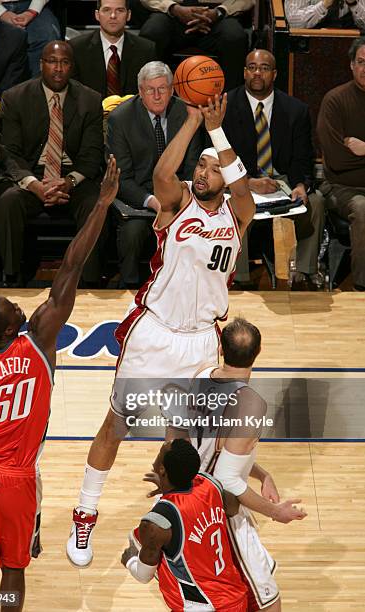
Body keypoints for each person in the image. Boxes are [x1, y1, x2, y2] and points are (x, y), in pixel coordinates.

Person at [66, 93, 256, 567]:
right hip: (155, 332)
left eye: (212, 169)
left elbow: (244, 188)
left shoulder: (238, 216)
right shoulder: (178, 206)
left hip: (199, 341)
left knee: (177, 440)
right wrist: (193, 123)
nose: (203, 173)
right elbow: (160, 177)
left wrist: (218, 135)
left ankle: (161, 522)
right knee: (119, 423)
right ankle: (85, 511)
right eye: (201, 168)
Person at [0, 156, 119, 611]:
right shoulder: (39, 340)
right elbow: (70, 266)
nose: (20, 306)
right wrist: (102, 204)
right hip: (16, 480)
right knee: (12, 570)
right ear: (9, 330)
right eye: (13, 307)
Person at [164, 317, 307, 610]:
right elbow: (227, 478)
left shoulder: (201, 374)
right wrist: (275, 512)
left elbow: (215, 449)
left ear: (221, 347)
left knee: (232, 591)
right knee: (268, 601)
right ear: (259, 351)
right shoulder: (250, 404)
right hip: (219, 506)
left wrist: (262, 474)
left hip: (192, 493)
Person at [0, 40, 106, 288]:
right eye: (52, 62)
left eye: (65, 63)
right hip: (31, 173)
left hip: (72, 175)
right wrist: (35, 185)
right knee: (8, 200)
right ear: (41, 64)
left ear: (72, 67)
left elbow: (92, 155)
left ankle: (89, 280)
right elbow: (9, 153)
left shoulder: (89, 99)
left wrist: (67, 182)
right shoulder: (15, 98)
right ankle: (11, 277)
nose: (58, 68)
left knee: (95, 203)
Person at [222, 49, 324, 289]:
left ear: (275, 74)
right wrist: (246, 183)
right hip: (241, 180)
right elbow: (217, 157)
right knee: (234, 202)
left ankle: (303, 274)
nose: (258, 73)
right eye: (252, 67)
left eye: (264, 68)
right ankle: (239, 279)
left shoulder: (295, 110)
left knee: (316, 201)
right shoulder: (224, 106)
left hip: (282, 181)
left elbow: (303, 158)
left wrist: (300, 186)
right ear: (244, 72)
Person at [121, 439, 248, 612]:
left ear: (162, 469)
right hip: (236, 598)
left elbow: (143, 576)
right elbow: (233, 506)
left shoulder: (155, 524)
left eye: (161, 451)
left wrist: (130, 560)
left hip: (202, 606)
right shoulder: (210, 484)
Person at [107, 61, 203, 288]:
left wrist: (179, 200)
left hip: (181, 198)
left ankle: (186, 289)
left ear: (172, 90)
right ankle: (129, 288)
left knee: (192, 229)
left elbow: (192, 167)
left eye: (163, 89)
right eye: (151, 90)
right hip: (140, 200)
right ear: (141, 91)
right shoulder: (120, 119)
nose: (157, 96)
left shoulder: (187, 114)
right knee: (132, 233)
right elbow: (122, 178)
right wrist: (153, 202)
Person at [317, 37, 365, 291]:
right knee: (364, 207)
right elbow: (337, 159)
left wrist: (363, 149)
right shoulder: (335, 100)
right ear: (351, 65)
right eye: (361, 62)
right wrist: (352, 157)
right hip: (341, 187)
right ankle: (362, 287)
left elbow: (353, 156)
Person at [139, 0, 252, 92]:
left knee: (234, 37)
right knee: (152, 33)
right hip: (170, 13)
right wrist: (174, 8)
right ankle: (149, 95)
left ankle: (230, 102)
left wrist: (219, 12)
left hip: (219, 15)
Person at [70, 0, 157, 99]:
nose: (113, 16)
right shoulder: (77, 49)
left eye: (119, 10)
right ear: (97, 15)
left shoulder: (146, 50)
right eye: (106, 10)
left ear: (128, 15)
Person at [0, 0, 61, 77]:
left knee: (48, 37)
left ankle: (36, 86)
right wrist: (0, 12)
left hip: (32, 3)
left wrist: (31, 12)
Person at [284, 0, 365, 29]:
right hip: (309, 45)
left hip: (350, 45)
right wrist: (324, 5)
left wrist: (353, 4)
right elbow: (294, 23)